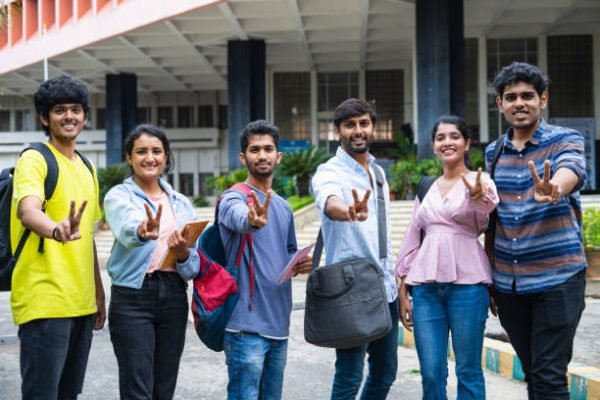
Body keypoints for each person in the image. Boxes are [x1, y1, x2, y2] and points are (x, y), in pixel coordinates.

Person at [180, 120, 312, 400]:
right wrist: (252, 220)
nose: (262, 155)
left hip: (279, 325)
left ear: (279, 156)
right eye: (254, 149)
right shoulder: (232, 199)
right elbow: (240, 219)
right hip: (243, 327)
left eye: (268, 149)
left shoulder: (285, 207)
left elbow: (288, 251)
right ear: (243, 157)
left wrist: (299, 263)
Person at [486, 62, 587, 399]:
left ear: (542, 99)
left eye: (527, 96)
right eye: (511, 97)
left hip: (556, 280)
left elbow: (570, 169)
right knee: (535, 374)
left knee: (548, 377)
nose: (519, 103)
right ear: (500, 104)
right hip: (510, 286)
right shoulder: (494, 152)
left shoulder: (564, 139)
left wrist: (555, 187)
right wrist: (490, 279)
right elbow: (493, 220)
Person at [10, 75, 106, 399]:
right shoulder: (34, 159)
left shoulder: (88, 167)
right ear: (44, 117)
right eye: (59, 110)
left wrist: (99, 293)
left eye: (76, 109)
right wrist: (55, 228)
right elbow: (29, 211)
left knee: (68, 394)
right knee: (42, 394)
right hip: (45, 301)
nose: (69, 116)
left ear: (85, 116)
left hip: (80, 302)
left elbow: (88, 236)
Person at [396, 115, 499, 399]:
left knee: (468, 370)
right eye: (441, 138)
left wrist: (478, 195)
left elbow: (486, 209)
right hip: (426, 289)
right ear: (433, 145)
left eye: (454, 136)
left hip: (468, 286)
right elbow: (413, 237)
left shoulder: (482, 182)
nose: (447, 142)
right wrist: (403, 285)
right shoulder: (426, 186)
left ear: (466, 143)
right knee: (430, 372)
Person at [103, 124, 199, 399]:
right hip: (133, 296)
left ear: (166, 157)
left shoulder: (181, 203)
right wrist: (142, 231)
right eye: (141, 151)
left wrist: (182, 253)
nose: (150, 157)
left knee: (164, 386)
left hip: (174, 295)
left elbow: (192, 265)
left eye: (157, 151)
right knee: (137, 387)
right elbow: (127, 229)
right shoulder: (119, 196)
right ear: (128, 157)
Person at [311, 98, 398, 400]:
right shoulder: (328, 171)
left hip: (384, 286)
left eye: (363, 123)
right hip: (350, 288)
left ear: (373, 126)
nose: (358, 130)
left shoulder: (379, 174)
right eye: (350, 125)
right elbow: (328, 198)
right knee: (349, 375)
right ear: (338, 131)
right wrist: (346, 210)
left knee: (385, 372)